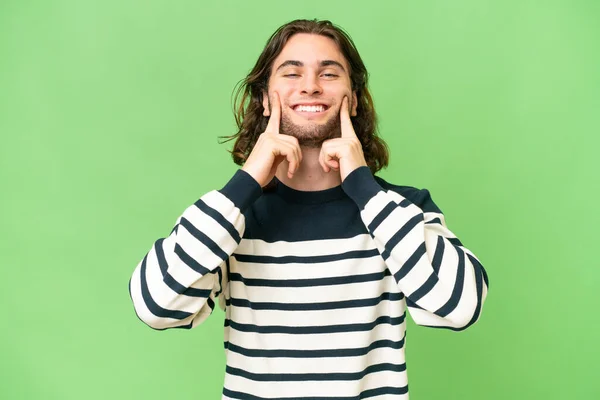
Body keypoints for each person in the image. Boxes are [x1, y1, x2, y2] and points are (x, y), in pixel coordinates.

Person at [128, 18, 489, 400]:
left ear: (353, 96)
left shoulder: (402, 211)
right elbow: (156, 305)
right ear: (265, 99)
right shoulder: (230, 218)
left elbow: (460, 307)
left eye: (329, 73)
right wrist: (247, 180)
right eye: (292, 72)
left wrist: (364, 187)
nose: (311, 85)